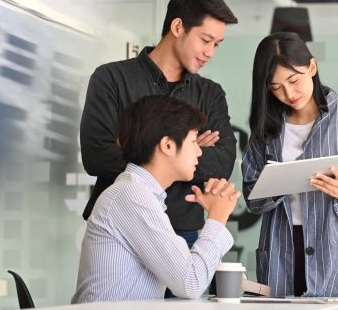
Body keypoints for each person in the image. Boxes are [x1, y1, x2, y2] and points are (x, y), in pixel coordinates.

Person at [79, 0, 238, 247]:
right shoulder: (111, 79)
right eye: (205, 40)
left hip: (182, 231)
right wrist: (187, 153)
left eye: (216, 45)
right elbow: (96, 156)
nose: (210, 52)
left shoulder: (209, 93)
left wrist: (134, 147)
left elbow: (222, 162)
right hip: (119, 229)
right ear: (178, 27)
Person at [242, 32, 338, 297]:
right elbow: (251, 196)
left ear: (312, 67)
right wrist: (274, 186)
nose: (288, 93)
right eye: (275, 87)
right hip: (282, 247)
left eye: (293, 80)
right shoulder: (266, 127)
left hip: (336, 249)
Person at [72, 95, 240, 303]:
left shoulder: (142, 194)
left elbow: (190, 276)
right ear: (167, 145)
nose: (199, 152)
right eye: (194, 142)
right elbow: (191, 282)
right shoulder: (132, 196)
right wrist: (217, 216)